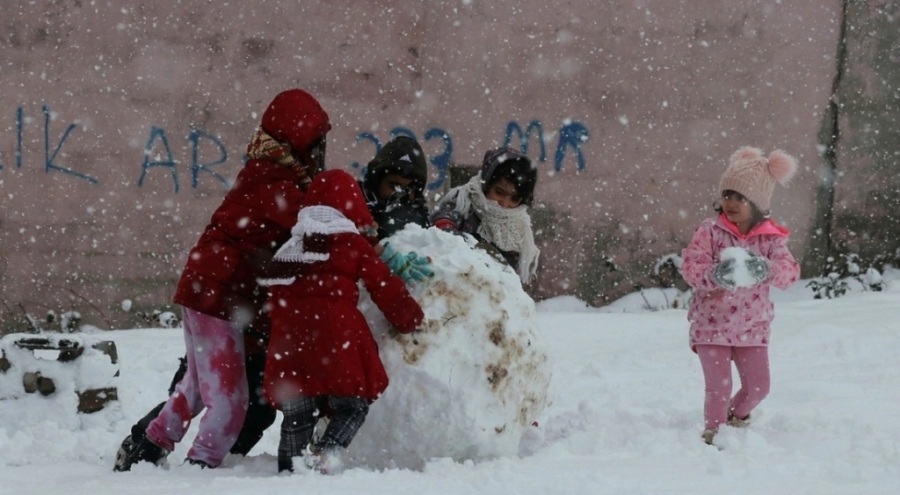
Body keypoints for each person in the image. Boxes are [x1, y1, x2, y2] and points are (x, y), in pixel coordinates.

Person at [114, 88, 332, 471]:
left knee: (196, 390)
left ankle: (147, 447)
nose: (318, 155)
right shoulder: (276, 183)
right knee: (231, 402)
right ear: (296, 143)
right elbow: (318, 231)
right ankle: (200, 468)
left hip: (207, 291)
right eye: (315, 145)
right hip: (218, 297)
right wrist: (363, 236)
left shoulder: (267, 173)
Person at [259, 169, 425, 474]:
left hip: (291, 345)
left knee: (297, 416)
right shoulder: (352, 244)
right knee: (353, 405)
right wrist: (409, 317)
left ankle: (288, 472)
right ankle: (327, 453)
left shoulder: (291, 247)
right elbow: (383, 285)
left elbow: (274, 299)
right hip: (337, 340)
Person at [680, 146, 800, 446]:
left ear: (757, 203)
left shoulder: (771, 238)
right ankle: (714, 434)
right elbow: (691, 268)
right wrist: (715, 275)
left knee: (759, 387)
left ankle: (735, 416)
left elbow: (790, 273)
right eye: (727, 194)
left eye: (740, 197)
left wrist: (767, 269)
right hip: (711, 325)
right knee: (718, 388)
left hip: (752, 327)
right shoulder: (710, 231)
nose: (730, 202)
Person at [431, 147, 540, 285]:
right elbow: (443, 225)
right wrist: (473, 249)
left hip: (492, 292)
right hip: (455, 283)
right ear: (486, 184)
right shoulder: (463, 202)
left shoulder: (518, 226)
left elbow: (512, 275)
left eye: (515, 198)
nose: (504, 203)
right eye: (499, 192)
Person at [359, 135, 431, 240]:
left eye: (408, 189)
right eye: (394, 187)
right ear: (376, 183)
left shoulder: (420, 222)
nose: (400, 195)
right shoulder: (356, 209)